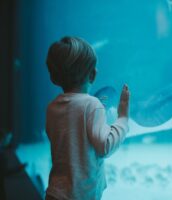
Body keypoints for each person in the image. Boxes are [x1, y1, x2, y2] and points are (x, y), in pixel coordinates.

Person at [45, 36, 130, 200]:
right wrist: (123, 118)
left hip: (55, 193)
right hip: (82, 195)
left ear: (54, 76)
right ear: (93, 74)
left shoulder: (51, 107)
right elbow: (105, 146)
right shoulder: (92, 105)